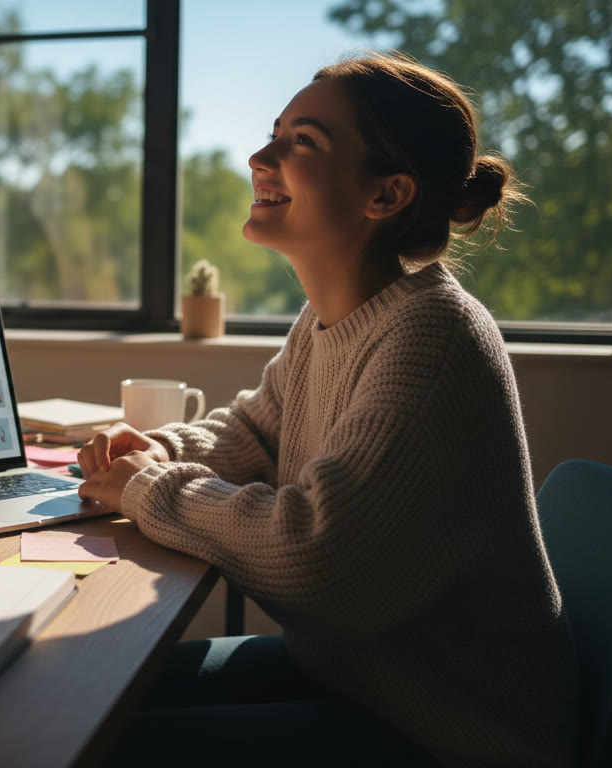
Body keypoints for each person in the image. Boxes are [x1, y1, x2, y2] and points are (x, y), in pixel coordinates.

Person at [77, 52, 579, 766]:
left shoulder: (433, 336)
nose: (258, 157)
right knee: (102, 694)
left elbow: (316, 559)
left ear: (386, 195)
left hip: (447, 734)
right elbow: (253, 431)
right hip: (358, 681)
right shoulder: (332, 320)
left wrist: (150, 485)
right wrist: (157, 448)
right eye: (273, 133)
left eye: (301, 142)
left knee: (97, 743)